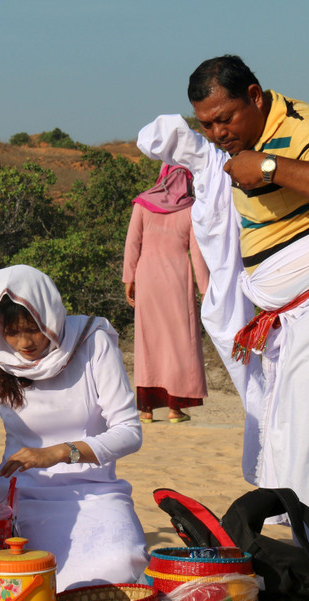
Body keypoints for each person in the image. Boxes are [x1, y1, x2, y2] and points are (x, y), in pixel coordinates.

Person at [136, 54, 309, 554]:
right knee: (297, 434)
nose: (218, 132)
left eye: (225, 118)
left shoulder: (303, 124)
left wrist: (269, 166)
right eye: (207, 124)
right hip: (300, 312)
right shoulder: (233, 147)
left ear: (256, 97)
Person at [0, 265, 148, 590]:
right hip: (26, 496)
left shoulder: (92, 342)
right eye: (12, 332)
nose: (24, 342)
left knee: (121, 564)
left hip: (95, 491)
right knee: (41, 580)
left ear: (51, 315)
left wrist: (57, 454)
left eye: (33, 328)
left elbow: (129, 432)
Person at [123, 164, 210, 424]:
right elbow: (197, 252)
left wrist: (129, 278)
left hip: (147, 276)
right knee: (179, 343)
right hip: (177, 279)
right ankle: (175, 409)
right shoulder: (191, 209)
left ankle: (146, 410)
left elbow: (132, 243)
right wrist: (205, 289)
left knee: (148, 342)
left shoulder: (142, 204)